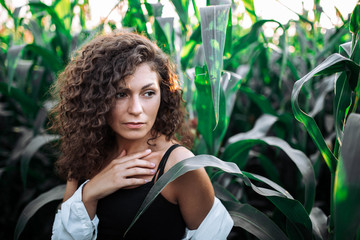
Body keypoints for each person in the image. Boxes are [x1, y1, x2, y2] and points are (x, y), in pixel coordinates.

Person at [50, 31, 233, 240]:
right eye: (121, 94)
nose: (136, 109)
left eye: (148, 93)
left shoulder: (181, 168)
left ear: (163, 94)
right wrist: (90, 193)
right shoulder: (86, 153)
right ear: (96, 100)